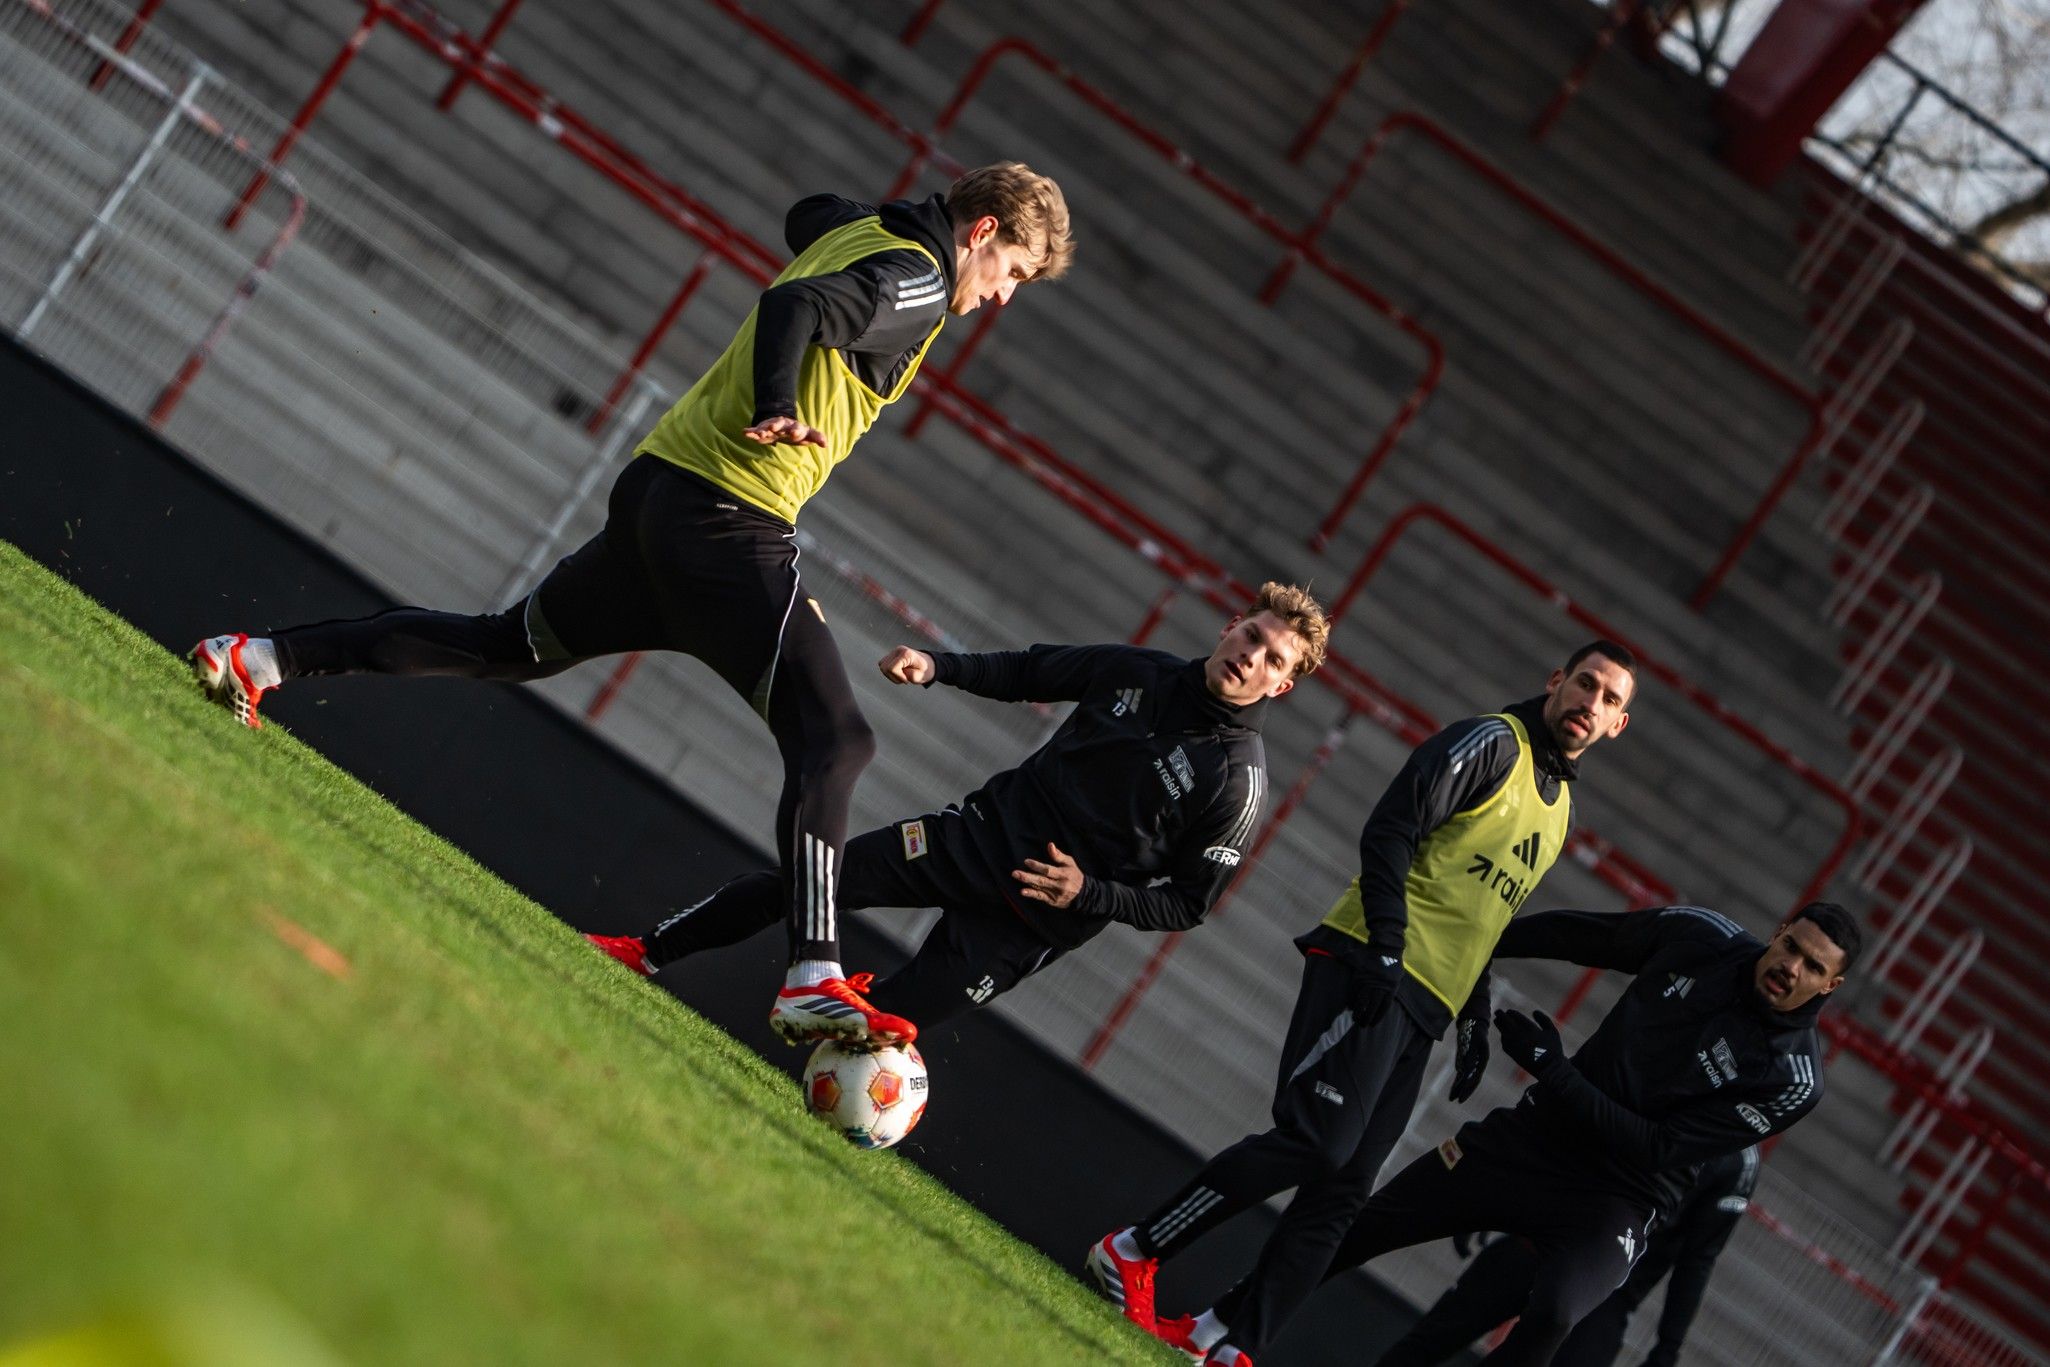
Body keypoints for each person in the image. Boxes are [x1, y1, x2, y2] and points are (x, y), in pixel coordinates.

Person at [187, 163, 1074, 1048]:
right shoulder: (919, 281)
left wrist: (869, 223)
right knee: (838, 742)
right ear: (984, 232)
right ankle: (813, 975)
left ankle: (258, 656)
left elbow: (807, 212)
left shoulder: (878, 234)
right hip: (729, 521)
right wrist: (775, 403)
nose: (1002, 298)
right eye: (1015, 274)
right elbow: (791, 311)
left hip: (658, 496)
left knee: (506, 645)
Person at [1089, 643, 1639, 1360]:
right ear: (1556, 680)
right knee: (1317, 1139)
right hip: (1369, 962)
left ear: (1616, 725)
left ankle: (1224, 1340)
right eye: (1585, 683)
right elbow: (1391, 827)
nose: (1589, 704)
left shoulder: (1561, 807)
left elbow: (1482, 918)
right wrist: (1383, 940)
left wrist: (1472, 1015)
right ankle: (1135, 1247)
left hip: (1427, 1003)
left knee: (1345, 1190)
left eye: (1607, 700)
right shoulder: (1491, 743)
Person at [584, 585, 1327, 1036]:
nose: (1252, 657)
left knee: (877, 1033)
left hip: (1033, 916)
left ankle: (830, 1058)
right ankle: (643, 950)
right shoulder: (1136, 670)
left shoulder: (1236, 782)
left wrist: (1089, 894)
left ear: (1282, 686)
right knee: (806, 883)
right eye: (1253, 636)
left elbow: (1190, 905)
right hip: (973, 834)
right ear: (1232, 622)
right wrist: (938, 666)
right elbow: (1029, 669)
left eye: (1273, 660)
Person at [1217, 900, 1858, 1367]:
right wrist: (1488, 944)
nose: (1791, 968)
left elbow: (1659, 1148)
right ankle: (1220, 1326)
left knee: (1554, 1314)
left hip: (1621, 1196)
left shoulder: (1794, 1078)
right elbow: (1586, 934)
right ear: (1777, 933)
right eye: (1791, 949)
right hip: (1534, 1141)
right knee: (1362, 1225)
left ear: (1830, 986)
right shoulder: (1702, 938)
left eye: (1812, 967)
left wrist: (1553, 1070)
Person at [1374, 1144, 1760, 1367]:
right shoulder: (1661, 1069)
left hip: (1604, 1295)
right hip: (1539, 1243)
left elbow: (1698, 1259)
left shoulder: (1739, 1160)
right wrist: (1490, 1200)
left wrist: (1667, 1349)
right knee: (1426, 1345)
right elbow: (1562, 1136)